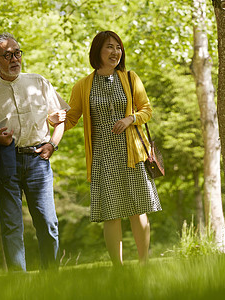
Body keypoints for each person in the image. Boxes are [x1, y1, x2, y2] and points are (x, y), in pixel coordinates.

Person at [0, 32, 70, 271]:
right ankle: (18, 283)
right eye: (7, 55)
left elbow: (60, 119)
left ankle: (52, 279)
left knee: (48, 223)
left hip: (39, 159)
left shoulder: (39, 82)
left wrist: (52, 145)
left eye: (17, 53)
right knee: (11, 225)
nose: (14, 59)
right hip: (6, 164)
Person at [65, 31, 162, 266]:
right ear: (97, 50)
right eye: (110, 47)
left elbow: (147, 110)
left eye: (118, 48)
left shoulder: (130, 78)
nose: (116, 52)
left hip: (133, 153)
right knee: (112, 214)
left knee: (138, 208)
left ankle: (144, 263)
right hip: (103, 155)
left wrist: (130, 119)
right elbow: (71, 118)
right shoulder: (83, 86)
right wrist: (51, 121)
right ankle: (118, 269)